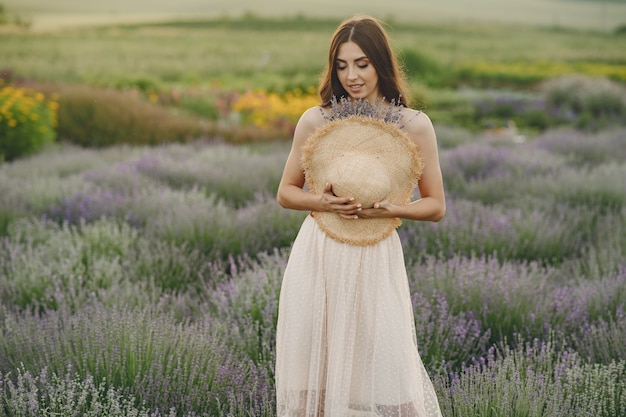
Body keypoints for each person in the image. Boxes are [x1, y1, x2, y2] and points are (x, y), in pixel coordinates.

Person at [275, 15, 445, 417]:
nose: (351, 75)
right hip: (319, 254)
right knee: (314, 375)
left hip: (376, 256)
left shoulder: (414, 125)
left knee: (387, 367)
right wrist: (324, 203)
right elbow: (285, 192)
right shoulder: (316, 120)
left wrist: (396, 209)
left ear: (381, 64)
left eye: (362, 63)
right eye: (342, 65)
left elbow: (436, 205)